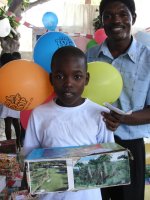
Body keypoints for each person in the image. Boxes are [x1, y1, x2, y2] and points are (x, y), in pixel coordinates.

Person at [23, 46, 114, 200]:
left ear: (87, 79)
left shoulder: (100, 114)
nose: (68, 83)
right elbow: (29, 158)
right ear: (51, 79)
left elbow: (108, 158)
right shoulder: (39, 114)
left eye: (77, 76)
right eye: (60, 76)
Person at [86, 0, 150, 200]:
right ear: (102, 21)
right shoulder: (89, 57)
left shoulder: (148, 59)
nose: (116, 20)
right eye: (108, 15)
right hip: (93, 144)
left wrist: (124, 118)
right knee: (98, 196)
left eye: (123, 14)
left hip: (130, 145)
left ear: (133, 18)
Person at [0, 53, 21, 150]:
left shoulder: (2, 71)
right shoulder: (15, 70)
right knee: (16, 121)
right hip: (16, 98)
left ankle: (9, 145)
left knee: (7, 122)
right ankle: (19, 143)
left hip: (6, 98)